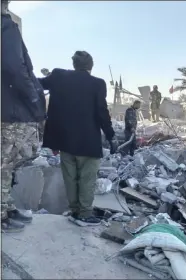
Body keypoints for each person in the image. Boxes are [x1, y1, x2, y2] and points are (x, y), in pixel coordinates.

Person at [38, 51, 117, 227]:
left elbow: (37, 84)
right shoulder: (97, 83)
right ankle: (85, 214)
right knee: (87, 179)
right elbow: (102, 112)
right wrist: (111, 136)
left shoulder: (58, 76)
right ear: (91, 66)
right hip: (88, 142)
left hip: (64, 141)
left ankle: (75, 211)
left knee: (70, 178)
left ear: (74, 64)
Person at [1, 0, 47, 232]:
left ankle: (6, 206)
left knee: (6, 162)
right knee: (8, 161)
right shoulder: (5, 26)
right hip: (11, 110)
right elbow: (14, 66)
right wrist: (33, 97)